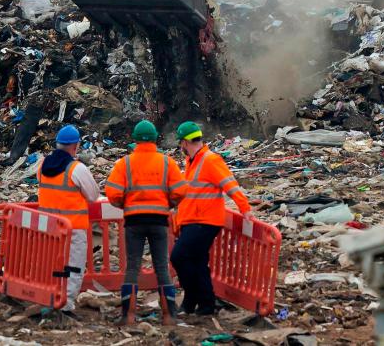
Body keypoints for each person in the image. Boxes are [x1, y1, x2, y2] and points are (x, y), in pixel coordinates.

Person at [106, 120, 188, 325]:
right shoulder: (167, 162)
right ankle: (169, 316)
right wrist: (168, 204)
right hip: (159, 220)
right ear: (155, 139)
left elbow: (113, 193)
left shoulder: (125, 163)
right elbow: (180, 191)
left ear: (134, 139)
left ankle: (129, 315)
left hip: (133, 221)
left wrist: (126, 204)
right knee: (161, 266)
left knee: (132, 266)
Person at [170, 121, 254, 316]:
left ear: (184, 142)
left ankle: (192, 300)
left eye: (180, 143)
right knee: (198, 262)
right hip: (193, 220)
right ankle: (205, 305)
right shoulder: (192, 162)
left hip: (204, 221)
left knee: (179, 257)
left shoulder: (209, 160)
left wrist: (245, 208)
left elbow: (230, 185)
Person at [36, 124, 100, 314]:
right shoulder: (76, 168)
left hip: (49, 228)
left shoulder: (42, 165)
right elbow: (93, 195)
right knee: (72, 267)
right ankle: (66, 305)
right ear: (75, 146)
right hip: (73, 228)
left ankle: (52, 298)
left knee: (53, 265)